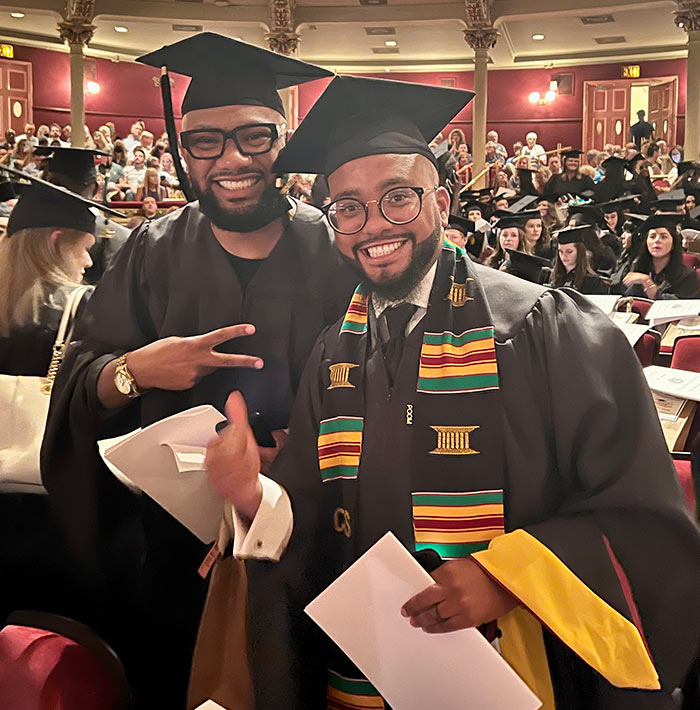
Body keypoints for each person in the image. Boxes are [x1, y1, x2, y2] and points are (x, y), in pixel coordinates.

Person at [206, 74, 700, 709]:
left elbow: (643, 522)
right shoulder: (336, 350)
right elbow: (311, 516)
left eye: (398, 197)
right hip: (362, 675)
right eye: (348, 207)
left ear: (441, 202)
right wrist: (250, 495)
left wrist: (509, 578)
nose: (373, 225)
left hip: (511, 669)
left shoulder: (548, 331)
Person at [40, 33, 356, 708]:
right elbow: (81, 384)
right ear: (183, 150)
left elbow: (380, 388)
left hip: (305, 532)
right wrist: (136, 370)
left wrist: (296, 458)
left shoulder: (335, 253)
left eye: (254, 137)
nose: (231, 159)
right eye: (204, 142)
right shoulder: (152, 251)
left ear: (284, 140)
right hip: (170, 547)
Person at [0, 169, 123, 624]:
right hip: (60, 511)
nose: (90, 263)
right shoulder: (87, 307)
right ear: (56, 241)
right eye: (86, 249)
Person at [618, 213, 699, 299]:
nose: (657, 241)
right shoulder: (634, 266)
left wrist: (647, 283)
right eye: (652, 236)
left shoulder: (687, 276)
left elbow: (680, 307)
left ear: (673, 244)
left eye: (663, 237)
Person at [549, 225, 609, 294]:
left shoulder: (593, 282)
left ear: (579, 252)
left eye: (569, 251)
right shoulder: (554, 278)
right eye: (561, 251)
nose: (563, 256)